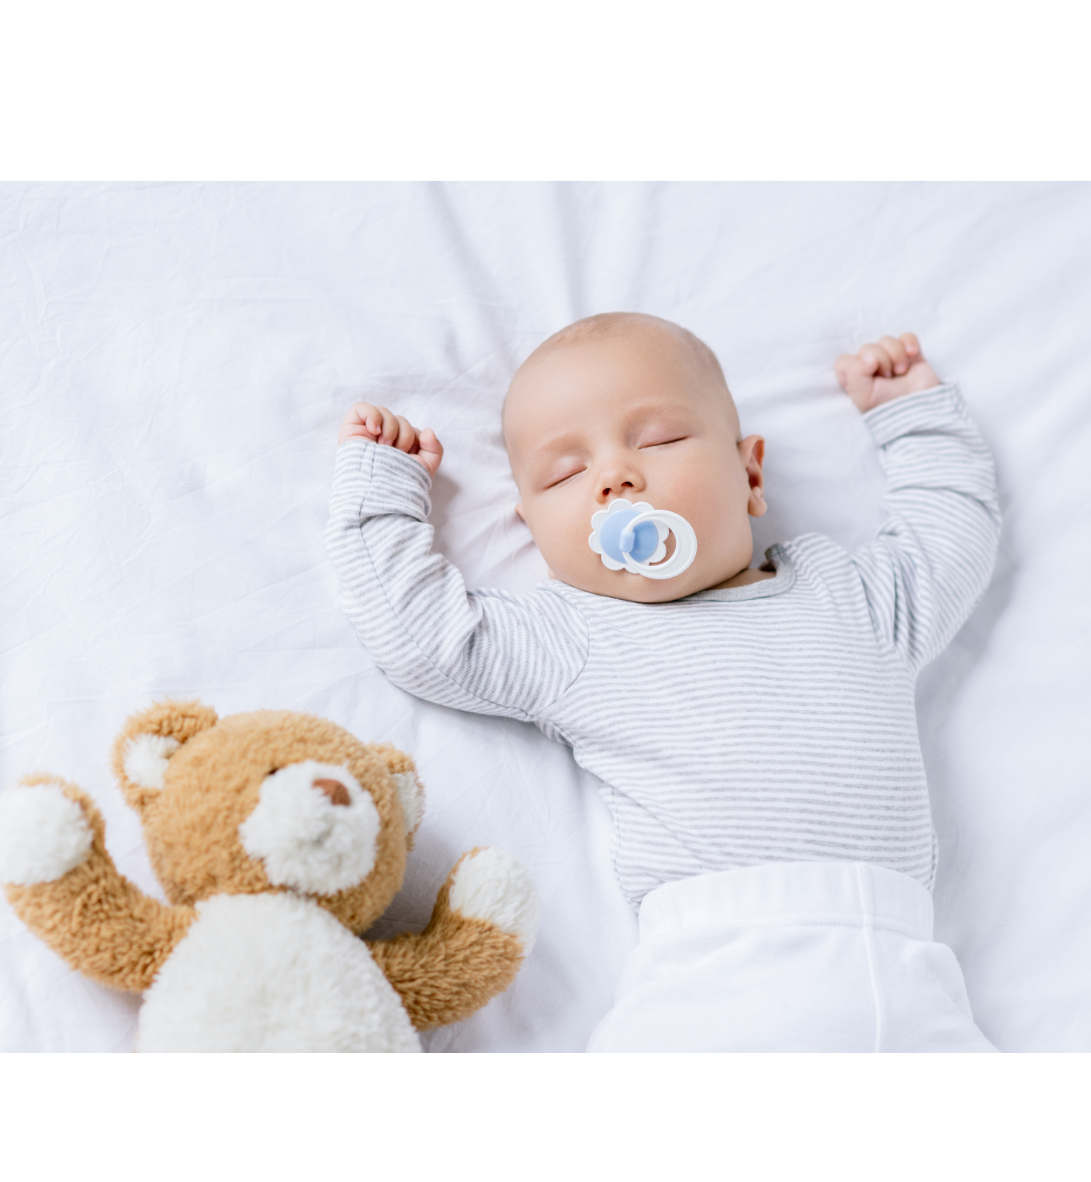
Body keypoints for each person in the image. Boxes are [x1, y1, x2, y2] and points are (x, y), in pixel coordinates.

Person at [325, 314, 1000, 1053]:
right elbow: (422, 637)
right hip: (709, 979)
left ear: (749, 474)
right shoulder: (574, 636)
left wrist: (913, 415)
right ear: (535, 532)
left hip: (901, 977)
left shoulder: (854, 599)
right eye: (565, 473)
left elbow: (950, 536)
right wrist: (383, 490)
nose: (617, 477)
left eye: (658, 439)